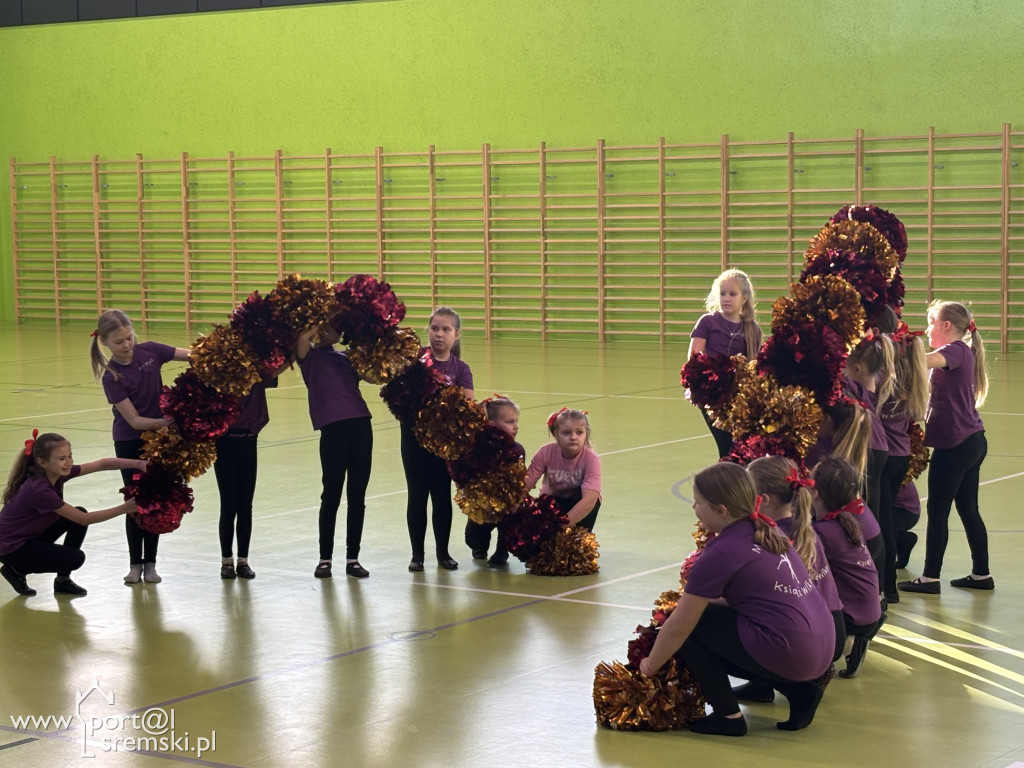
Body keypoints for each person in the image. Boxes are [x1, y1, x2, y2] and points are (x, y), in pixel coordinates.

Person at [638, 462, 833, 736]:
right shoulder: (769, 530)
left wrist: (648, 666)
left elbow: (679, 626)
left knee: (694, 630)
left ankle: (728, 716)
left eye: (698, 503)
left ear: (721, 510)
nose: (694, 509)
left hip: (793, 652)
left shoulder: (721, 552)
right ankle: (799, 690)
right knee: (720, 624)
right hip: (821, 652)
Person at [91, 309, 190, 585]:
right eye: (119, 342)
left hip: (158, 440)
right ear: (105, 343)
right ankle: (134, 563)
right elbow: (134, 421)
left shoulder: (151, 351)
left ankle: (151, 564)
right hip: (131, 442)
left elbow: (192, 355)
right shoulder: (112, 376)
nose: (126, 345)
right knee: (135, 503)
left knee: (157, 499)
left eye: (129, 337)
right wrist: (167, 423)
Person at [899, 301, 991, 594]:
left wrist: (895, 347)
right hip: (971, 442)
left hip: (957, 446)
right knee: (968, 509)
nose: (927, 329)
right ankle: (981, 574)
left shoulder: (955, 351)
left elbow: (922, 361)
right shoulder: (959, 353)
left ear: (945, 326)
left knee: (938, 511)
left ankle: (930, 578)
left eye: (930, 323)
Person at [0, 431, 143, 597]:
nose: (68, 462)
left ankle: (62, 581)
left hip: (28, 536)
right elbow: (84, 520)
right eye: (62, 458)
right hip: (11, 548)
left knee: (78, 513)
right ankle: (16, 568)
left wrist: (139, 464)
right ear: (42, 462)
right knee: (75, 557)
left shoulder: (53, 474)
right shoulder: (38, 489)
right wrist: (125, 508)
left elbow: (102, 464)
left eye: (70, 456)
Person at [747, 457, 845, 665]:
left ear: (763, 499)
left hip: (809, 638)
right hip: (834, 628)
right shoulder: (807, 528)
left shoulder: (770, 537)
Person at [297, 322, 373, 580]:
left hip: (361, 425)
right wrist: (322, 318)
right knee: (331, 495)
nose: (337, 332)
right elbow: (302, 339)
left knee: (357, 496)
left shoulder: (347, 357)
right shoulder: (309, 356)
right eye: (332, 327)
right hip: (333, 430)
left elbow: (375, 377)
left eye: (339, 328)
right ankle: (324, 559)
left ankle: (353, 558)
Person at [403, 307, 474, 572]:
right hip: (413, 440)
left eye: (446, 329)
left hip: (444, 444)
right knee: (417, 496)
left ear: (456, 335)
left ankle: (443, 553)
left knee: (441, 496)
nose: (439, 334)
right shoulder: (414, 359)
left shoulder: (461, 368)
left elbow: (468, 405)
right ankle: (417, 555)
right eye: (435, 328)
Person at [811, 457, 884, 678]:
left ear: (815, 493)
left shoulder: (823, 532)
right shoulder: (848, 520)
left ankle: (848, 642)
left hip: (854, 618)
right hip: (869, 610)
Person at [686, 269, 763, 458]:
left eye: (732, 294)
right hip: (710, 395)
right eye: (722, 294)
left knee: (743, 445)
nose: (726, 298)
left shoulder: (753, 330)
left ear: (744, 298)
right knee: (725, 444)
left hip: (737, 395)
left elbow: (755, 365)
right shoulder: (708, 322)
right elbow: (693, 356)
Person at [876, 326, 928, 602]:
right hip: (901, 457)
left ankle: (888, 586)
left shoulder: (885, 381)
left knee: (881, 522)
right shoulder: (913, 383)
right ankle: (888, 584)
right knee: (884, 519)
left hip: (883, 459)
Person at [214, 375, 279, 581]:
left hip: (249, 442)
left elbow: (276, 370)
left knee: (245, 504)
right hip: (224, 442)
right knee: (228, 503)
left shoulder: (256, 371)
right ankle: (226, 560)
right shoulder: (220, 374)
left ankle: (243, 560)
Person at [465, 395, 525, 567]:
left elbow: (520, 480)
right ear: (491, 424)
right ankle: (480, 545)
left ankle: (502, 550)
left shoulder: (517, 450)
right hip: (483, 502)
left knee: (513, 515)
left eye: (516, 421)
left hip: (507, 502)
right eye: (509, 422)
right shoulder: (477, 449)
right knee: (473, 539)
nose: (516, 426)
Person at [525, 408, 601, 530]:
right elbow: (526, 484)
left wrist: (561, 525)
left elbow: (590, 499)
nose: (573, 437)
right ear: (556, 434)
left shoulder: (591, 459)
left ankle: (580, 536)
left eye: (579, 432)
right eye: (566, 433)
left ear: (586, 433)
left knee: (594, 499)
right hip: (551, 504)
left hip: (578, 505)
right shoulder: (545, 452)